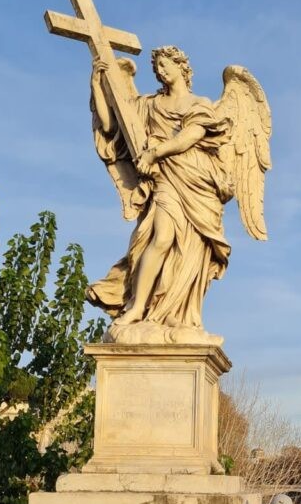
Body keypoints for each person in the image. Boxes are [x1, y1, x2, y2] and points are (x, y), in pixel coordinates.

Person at [87, 46, 234, 330]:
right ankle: (138, 308)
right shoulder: (149, 105)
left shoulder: (199, 104)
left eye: (166, 65)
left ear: (182, 67)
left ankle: (176, 311)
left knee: (189, 250)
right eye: (158, 68)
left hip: (197, 179)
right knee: (162, 237)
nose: (161, 71)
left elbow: (189, 137)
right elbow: (109, 126)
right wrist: (96, 84)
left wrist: (154, 153)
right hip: (166, 178)